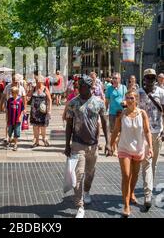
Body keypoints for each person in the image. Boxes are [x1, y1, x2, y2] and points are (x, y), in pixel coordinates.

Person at [65, 75, 112, 218]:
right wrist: (67, 145)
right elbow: (69, 125)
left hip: (93, 145)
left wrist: (109, 143)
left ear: (90, 87)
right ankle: (80, 206)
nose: (80, 89)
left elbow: (105, 123)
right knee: (77, 175)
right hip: (78, 144)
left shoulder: (99, 102)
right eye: (79, 86)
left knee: (90, 174)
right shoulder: (73, 103)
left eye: (84, 86)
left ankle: (86, 192)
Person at [110, 90, 153, 217]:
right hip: (124, 148)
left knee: (135, 175)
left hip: (138, 149)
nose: (129, 100)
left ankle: (132, 192)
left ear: (137, 100)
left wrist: (150, 147)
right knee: (126, 175)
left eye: (132, 98)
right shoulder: (122, 114)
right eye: (128, 98)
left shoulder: (142, 114)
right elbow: (116, 130)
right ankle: (126, 205)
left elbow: (147, 131)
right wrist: (110, 144)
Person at [138, 68, 164, 209]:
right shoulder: (139, 93)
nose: (150, 80)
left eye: (152, 77)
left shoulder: (161, 92)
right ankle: (148, 195)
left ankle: (150, 186)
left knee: (153, 164)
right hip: (144, 134)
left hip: (158, 133)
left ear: (155, 79)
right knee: (146, 163)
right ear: (144, 79)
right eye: (147, 77)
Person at [29, 75, 52, 147]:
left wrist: (49, 110)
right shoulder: (34, 88)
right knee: (35, 126)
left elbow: (49, 100)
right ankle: (36, 141)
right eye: (36, 81)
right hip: (34, 110)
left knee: (43, 126)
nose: (36, 82)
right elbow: (28, 96)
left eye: (37, 81)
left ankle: (44, 139)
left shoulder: (45, 89)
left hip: (43, 110)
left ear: (41, 81)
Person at [6, 86, 25, 151]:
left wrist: (20, 117)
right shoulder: (9, 100)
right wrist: (7, 118)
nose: (12, 93)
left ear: (17, 93)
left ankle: (15, 144)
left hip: (17, 119)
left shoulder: (20, 101)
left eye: (13, 92)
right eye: (11, 92)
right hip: (11, 119)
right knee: (10, 131)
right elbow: (7, 110)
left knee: (16, 132)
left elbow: (22, 109)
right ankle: (9, 140)